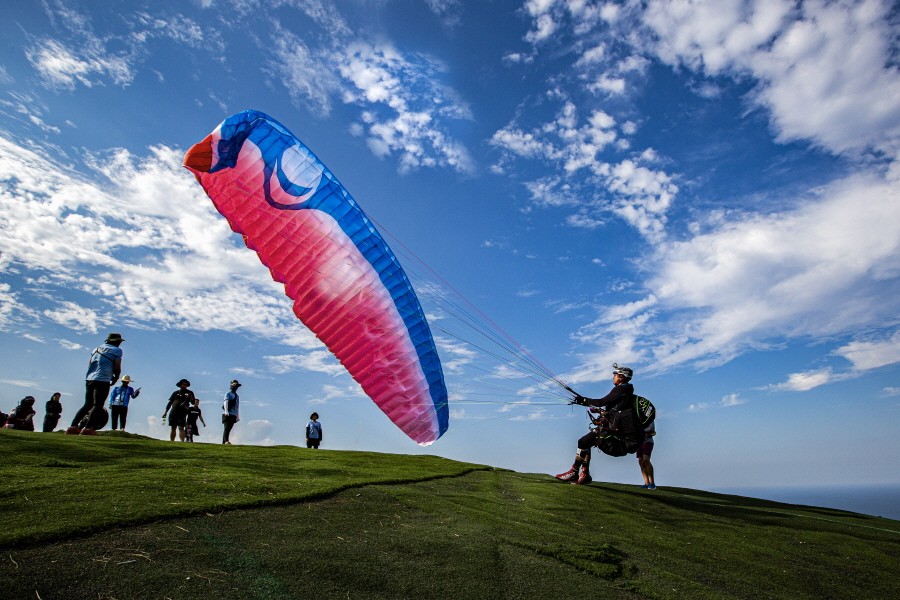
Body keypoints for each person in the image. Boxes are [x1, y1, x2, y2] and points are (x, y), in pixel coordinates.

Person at [555, 363, 636, 486]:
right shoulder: (627, 390)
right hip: (612, 428)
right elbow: (613, 408)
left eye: (615, 375)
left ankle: (575, 471)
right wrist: (598, 410)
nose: (613, 377)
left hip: (612, 430)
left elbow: (602, 401)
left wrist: (584, 400)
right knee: (585, 442)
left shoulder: (621, 389)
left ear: (621, 377)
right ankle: (584, 474)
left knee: (583, 442)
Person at [68, 333, 124, 434]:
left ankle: (73, 426)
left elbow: (90, 363)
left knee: (87, 404)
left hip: (90, 378)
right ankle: (88, 428)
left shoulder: (96, 349)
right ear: (116, 342)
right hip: (103, 379)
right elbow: (117, 366)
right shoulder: (117, 350)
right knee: (98, 405)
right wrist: (116, 377)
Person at [637, 421, 656, 489]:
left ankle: (652, 483)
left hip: (648, 441)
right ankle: (646, 482)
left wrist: (639, 430)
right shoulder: (637, 418)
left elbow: (651, 428)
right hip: (639, 442)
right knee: (641, 461)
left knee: (646, 460)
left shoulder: (649, 418)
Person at [221, 380, 241, 444]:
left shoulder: (237, 396)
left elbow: (237, 406)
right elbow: (225, 402)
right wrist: (226, 411)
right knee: (226, 428)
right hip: (227, 414)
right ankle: (226, 441)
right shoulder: (228, 394)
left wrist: (237, 415)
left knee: (228, 429)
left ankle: (224, 443)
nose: (236, 388)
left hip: (233, 415)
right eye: (235, 386)